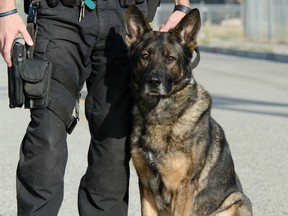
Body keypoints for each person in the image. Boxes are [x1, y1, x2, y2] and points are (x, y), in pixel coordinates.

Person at [0, 0, 191, 215]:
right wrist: (6, 11)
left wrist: (182, 7)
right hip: (60, 17)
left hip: (124, 18)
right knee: (47, 133)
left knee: (114, 146)